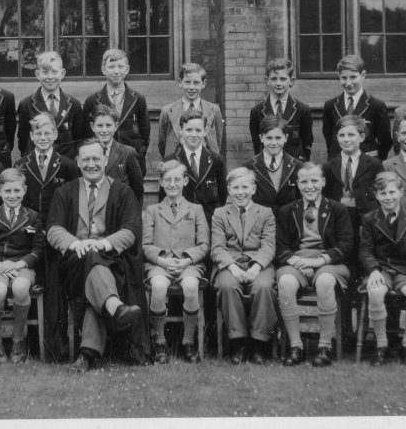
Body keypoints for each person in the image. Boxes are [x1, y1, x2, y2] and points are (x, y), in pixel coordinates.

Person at [47, 139, 148, 372]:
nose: (91, 164)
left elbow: (131, 230)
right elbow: (53, 229)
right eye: (86, 159)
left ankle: (86, 355)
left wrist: (103, 244)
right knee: (91, 262)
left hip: (113, 262)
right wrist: (75, 244)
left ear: (105, 160)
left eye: (95, 158)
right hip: (73, 264)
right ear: (77, 161)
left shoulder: (122, 192)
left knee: (95, 274)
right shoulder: (65, 192)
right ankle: (115, 308)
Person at [13, 112, 81, 359]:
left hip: (56, 236)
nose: (43, 138)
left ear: (55, 135)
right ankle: (31, 343)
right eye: (38, 133)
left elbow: (74, 201)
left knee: (54, 290)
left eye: (47, 133)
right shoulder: (21, 165)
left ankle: (56, 345)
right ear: (31, 136)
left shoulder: (68, 165)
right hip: (28, 237)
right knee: (30, 286)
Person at [275, 162, 354, 367]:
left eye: (314, 181)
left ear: (323, 182)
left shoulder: (337, 209)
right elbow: (280, 246)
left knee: (325, 282)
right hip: (297, 261)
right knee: (285, 282)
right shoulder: (287, 211)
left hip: (329, 262)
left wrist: (318, 261)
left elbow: (346, 245)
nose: (309, 186)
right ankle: (296, 347)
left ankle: (324, 347)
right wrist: (299, 263)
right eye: (304, 182)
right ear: (297, 184)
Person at [0, 169, 46, 363]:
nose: (12, 196)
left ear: (24, 191)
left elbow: (38, 249)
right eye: (7, 191)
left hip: (22, 266)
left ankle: (18, 340)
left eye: (17, 191)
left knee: (21, 288)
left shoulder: (32, 216)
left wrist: (21, 264)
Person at [142, 160, 210, 364]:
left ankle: (188, 341)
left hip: (188, 265)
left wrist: (187, 260)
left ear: (185, 181)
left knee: (190, 286)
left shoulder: (196, 210)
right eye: (168, 180)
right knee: (158, 286)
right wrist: (162, 261)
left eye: (177, 180)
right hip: (160, 265)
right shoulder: (152, 210)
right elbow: (145, 245)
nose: (172, 184)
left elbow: (204, 244)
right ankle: (160, 341)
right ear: (161, 182)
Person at [359, 172, 406, 367]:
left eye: (392, 192)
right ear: (376, 195)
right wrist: (373, 270)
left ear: (401, 192)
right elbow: (365, 249)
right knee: (375, 291)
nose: (388, 197)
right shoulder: (370, 219)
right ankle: (381, 344)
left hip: (405, 269)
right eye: (383, 193)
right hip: (381, 269)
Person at [211, 167, 277, 365]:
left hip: (259, 264)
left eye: (245, 187)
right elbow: (218, 247)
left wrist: (256, 267)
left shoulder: (265, 213)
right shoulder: (220, 214)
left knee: (263, 286)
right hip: (230, 265)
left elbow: (268, 245)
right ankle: (237, 341)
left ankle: (259, 342)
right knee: (228, 286)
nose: (240, 192)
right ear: (229, 190)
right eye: (236, 188)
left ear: (253, 189)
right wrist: (233, 268)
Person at [322, 115, 383, 256]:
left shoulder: (374, 164)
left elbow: (380, 193)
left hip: (364, 218)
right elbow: (326, 196)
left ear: (362, 137)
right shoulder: (329, 166)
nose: (346, 139)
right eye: (342, 135)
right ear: (337, 138)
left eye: (351, 135)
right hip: (339, 219)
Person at [83, 49, 150, 175]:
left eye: (120, 66)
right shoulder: (92, 101)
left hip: (131, 161)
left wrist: (138, 154)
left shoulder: (138, 99)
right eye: (111, 67)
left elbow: (145, 134)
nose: (116, 71)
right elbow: (86, 135)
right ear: (103, 70)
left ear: (127, 69)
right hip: (102, 163)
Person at [163, 108, 227, 225]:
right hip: (180, 226)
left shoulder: (217, 161)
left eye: (198, 130)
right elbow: (164, 202)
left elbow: (223, 197)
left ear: (205, 131)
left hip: (210, 225)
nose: (193, 135)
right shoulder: (170, 162)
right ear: (181, 131)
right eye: (189, 130)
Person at [17, 51, 85, 159]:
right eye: (45, 72)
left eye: (54, 72)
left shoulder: (74, 105)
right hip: (38, 163)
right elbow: (23, 141)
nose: (50, 77)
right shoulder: (26, 105)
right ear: (37, 74)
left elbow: (79, 139)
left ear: (62, 73)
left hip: (66, 163)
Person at [322, 54, 392, 160]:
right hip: (339, 163)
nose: (348, 83)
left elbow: (385, 141)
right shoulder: (330, 106)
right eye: (344, 78)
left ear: (363, 75)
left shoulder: (376, 105)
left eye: (353, 77)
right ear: (339, 76)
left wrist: (374, 162)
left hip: (366, 164)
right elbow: (329, 138)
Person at [249, 58, 313, 161]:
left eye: (283, 79)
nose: (278, 83)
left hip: (294, 164)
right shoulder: (257, 112)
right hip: (268, 164)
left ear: (291, 81)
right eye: (274, 79)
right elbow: (257, 145)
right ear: (267, 80)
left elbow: (307, 143)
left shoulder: (302, 110)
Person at [159, 62, 223, 159]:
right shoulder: (167, 112)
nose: (191, 87)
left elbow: (218, 141)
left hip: (205, 163)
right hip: (177, 163)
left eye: (196, 83)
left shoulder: (214, 111)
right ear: (180, 82)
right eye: (187, 82)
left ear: (203, 84)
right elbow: (162, 143)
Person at [242, 116, 302, 216]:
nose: (274, 143)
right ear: (261, 138)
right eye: (269, 138)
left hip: (289, 222)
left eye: (278, 138)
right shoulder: (248, 167)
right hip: (259, 222)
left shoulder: (298, 167)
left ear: (286, 138)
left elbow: (301, 201)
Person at [89, 104, 144, 204]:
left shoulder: (128, 153)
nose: (104, 130)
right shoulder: (85, 152)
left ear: (116, 126)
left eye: (108, 125)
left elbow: (137, 189)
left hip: (119, 208)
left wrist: (134, 213)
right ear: (92, 127)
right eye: (100, 125)